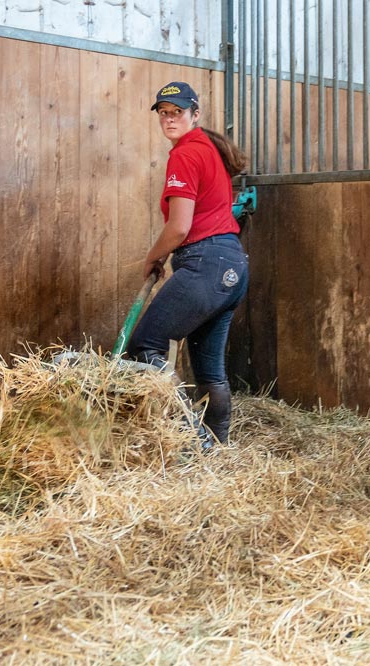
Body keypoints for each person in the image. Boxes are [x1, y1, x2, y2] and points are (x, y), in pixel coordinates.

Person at [127, 81, 250, 447]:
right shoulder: (209, 149)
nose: (169, 119)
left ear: (195, 115)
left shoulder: (184, 154)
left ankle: (190, 437)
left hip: (205, 262)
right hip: (232, 266)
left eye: (177, 112)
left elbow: (179, 227)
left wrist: (153, 257)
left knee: (145, 345)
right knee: (209, 370)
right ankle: (217, 447)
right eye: (163, 113)